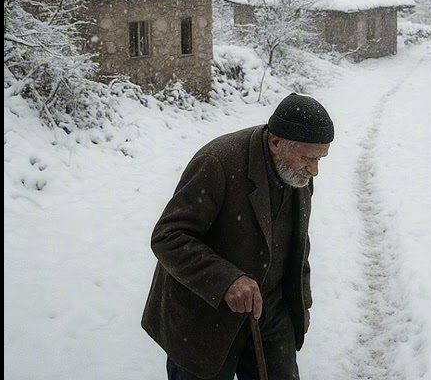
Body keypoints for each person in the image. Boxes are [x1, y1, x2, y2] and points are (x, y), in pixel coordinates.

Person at [141, 92, 335, 380]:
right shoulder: (219, 162)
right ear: (276, 143)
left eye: (320, 158)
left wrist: (301, 302)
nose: (315, 169)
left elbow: (298, 244)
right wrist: (227, 279)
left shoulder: (298, 174)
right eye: (308, 157)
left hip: (272, 312)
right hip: (207, 318)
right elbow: (168, 236)